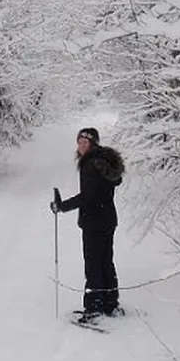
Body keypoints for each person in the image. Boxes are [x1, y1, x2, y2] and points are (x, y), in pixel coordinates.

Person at [51, 127, 125, 321]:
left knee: (93, 263)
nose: (82, 147)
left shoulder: (91, 164)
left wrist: (62, 206)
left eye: (85, 143)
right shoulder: (105, 163)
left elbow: (87, 197)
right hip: (107, 219)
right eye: (79, 143)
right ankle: (110, 303)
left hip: (94, 220)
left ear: (93, 144)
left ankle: (94, 308)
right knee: (105, 261)